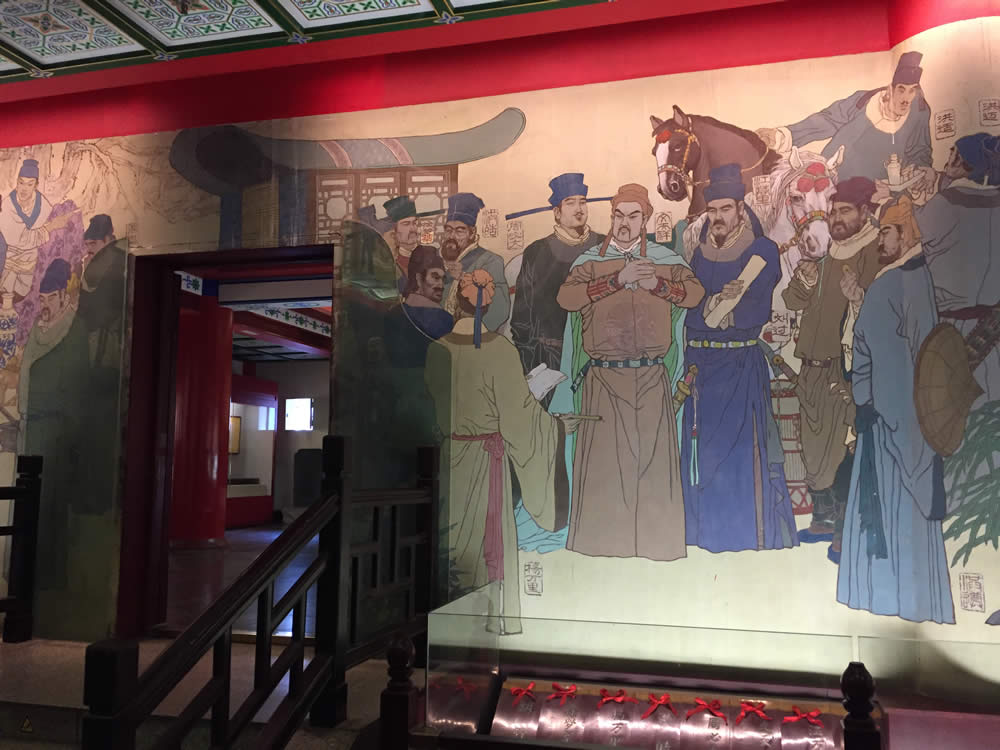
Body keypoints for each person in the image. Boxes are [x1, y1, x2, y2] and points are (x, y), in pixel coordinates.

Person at [555, 183, 704, 561]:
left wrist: (657, 284)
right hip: (604, 377)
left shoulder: (664, 259)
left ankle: (655, 547)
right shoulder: (591, 261)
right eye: (618, 215)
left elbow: (694, 294)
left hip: (652, 376)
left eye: (633, 216)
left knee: (653, 464)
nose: (624, 223)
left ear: (646, 219)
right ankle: (603, 547)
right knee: (606, 467)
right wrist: (616, 281)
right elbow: (567, 298)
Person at [424, 270, 579, 634]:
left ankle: (449, 624)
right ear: (490, 304)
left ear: (455, 299)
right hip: (484, 460)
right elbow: (519, 417)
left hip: (449, 458)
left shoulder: (436, 348)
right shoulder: (499, 350)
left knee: (452, 539)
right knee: (486, 541)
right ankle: (487, 622)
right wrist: (556, 427)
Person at [837, 196, 954, 624]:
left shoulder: (910, 280)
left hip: (897, 422)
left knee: (898, 510)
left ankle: (898, 600)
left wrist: (878, 404)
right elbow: (870, 343)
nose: (880, 239)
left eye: (886, 231)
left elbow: (916, 357)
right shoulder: (897, 279)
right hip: (884, 417)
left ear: (905, 234)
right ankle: (883, 599)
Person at [680, 164, 799, 553]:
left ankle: (745, 536)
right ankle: (702, 536)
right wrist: (709, 308)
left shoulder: (760, 251)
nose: (718, 217)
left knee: (739, 456)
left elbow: (753, 307)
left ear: (740, 210)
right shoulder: (699, 254)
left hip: (739, 366)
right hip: (701, 369)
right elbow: (691, 307)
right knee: (702, 455)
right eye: (712, 210)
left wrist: (721, 312)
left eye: (725, 209)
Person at [781, 177, 881, 550]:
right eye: (834, 212)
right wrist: (804, 282)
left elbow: (878, 308)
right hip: (811, 368)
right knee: (812, 446)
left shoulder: (871, 252)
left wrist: (859, 297)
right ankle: (822, 519)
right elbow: (792, 301)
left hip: (844, 368)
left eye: (845, 211)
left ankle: (844, 527)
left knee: (842, 447)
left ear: (864, 212)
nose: (837, 219)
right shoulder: (826, 253)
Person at [19, 259, 90, 631]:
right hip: (33, 427)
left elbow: (78, 386)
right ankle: (27, 573)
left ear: (63, 294)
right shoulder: (39, 328)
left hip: (59, 432)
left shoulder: (75, 330)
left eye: (50, 297)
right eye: (41, 298)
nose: (44, 304)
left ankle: (50, 576)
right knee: (30, 501)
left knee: (52, 504)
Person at [758, 52, 934, 188]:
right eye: (901, 89)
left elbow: (919, 149)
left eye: (912, 91)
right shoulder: (863, 101)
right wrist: (783, 136)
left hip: (873, 191)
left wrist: (923, 169)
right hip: (829, 177)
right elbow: (827, 120)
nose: (906, 99)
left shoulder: (919, 112)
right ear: (890, 89)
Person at [916, 133, 1000, 403]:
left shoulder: (943, 203)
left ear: (960, 160)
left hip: (950, 331)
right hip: (993, 329)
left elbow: (909, 233)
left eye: (953, 152)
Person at [510, 173, 604, 401]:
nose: (578, 209)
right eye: (570, 203)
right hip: (550, 358)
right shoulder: (537, 252)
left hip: (599, 357)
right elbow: (522, 318)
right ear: (557, 212)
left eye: (583, 202)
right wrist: (532, 366)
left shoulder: (603, 246)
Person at [0, 159, 73, 301]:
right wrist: (51, 227)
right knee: (5, 297)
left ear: (36, 185)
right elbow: (21, 240)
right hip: (7, 261)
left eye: (29, 184)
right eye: (21, 183)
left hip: (30, 264)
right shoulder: (7, 205)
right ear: (17, 183)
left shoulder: (43, 205)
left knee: (23, 295)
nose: (24, 189)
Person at [439, 193, 510, 332]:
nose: (452, 236)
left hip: (471, 335)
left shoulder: (490, 261)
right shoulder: (436, 258)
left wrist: (462, 278)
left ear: (472, 233)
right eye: (448, 230)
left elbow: (500, 309)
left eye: (459, 231)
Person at [383, 195, 441, 280]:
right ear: (394, 231)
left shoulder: (431, 253)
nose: (413, 229)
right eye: (406, 224)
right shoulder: (390, 262)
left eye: (414, 223)